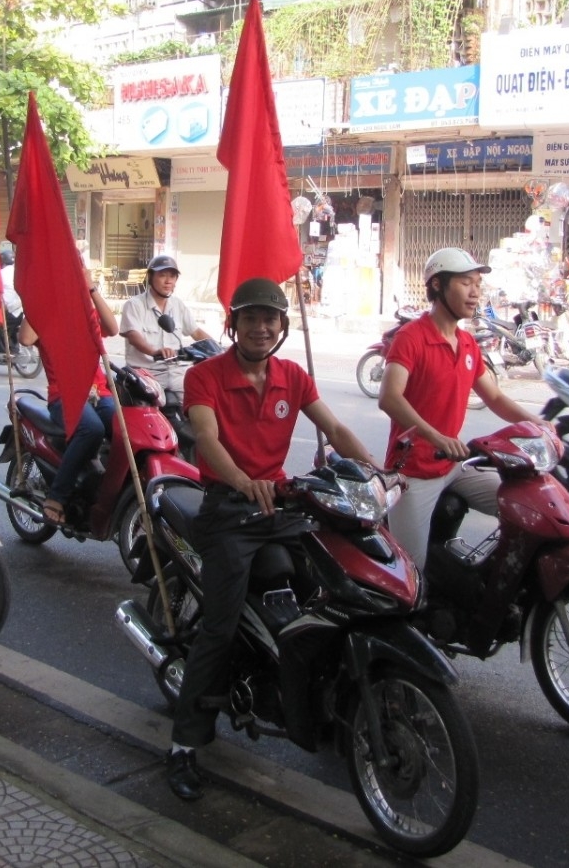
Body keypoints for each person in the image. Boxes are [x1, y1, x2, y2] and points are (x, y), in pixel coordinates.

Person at [165, 277, 378, 802]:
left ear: (283, 326)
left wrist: (374, 470)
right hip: (230, 510)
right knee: (217, 627)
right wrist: (241, 480)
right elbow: (206, 440)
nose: (261, 327)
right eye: (251, 318)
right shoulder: (204, 375)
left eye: (271, 319)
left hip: (282, 505)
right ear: (233, 323)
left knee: (336, 585)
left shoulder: (293, 376)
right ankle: (184, 744)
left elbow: (335, 429)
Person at [377, 247, 553, 572]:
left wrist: (538, 424)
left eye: (477, 284)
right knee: (410, 573)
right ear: (437, 287)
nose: (475, 293)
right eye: (465, 283)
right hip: (414, 471)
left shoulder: (468, 343)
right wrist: (437, 437)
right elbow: (389, 397)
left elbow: (495, 398)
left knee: (525, 507)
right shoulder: (411, 338)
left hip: (454, 466)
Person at [17, 269, 119, 525]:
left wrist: (91, 288)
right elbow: (26, 338)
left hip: (100, 392)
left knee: (126, 428)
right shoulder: (47, 312)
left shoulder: (87, 308)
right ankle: (57, 496)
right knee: (92, 430)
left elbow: (112, 328)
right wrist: (42, 296)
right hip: (64, 396)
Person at [119, 254, 214, 401]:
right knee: (149, 414)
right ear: (150, 277)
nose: (168, 281)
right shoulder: (134, 305)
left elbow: (196, 332)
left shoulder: (178, 305)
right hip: (146, 373)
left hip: (176, 372)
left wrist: (218, 350)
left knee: (204, 398)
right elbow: (133, 336)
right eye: (162, 275)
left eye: (172, 276)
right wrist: (154, 351)